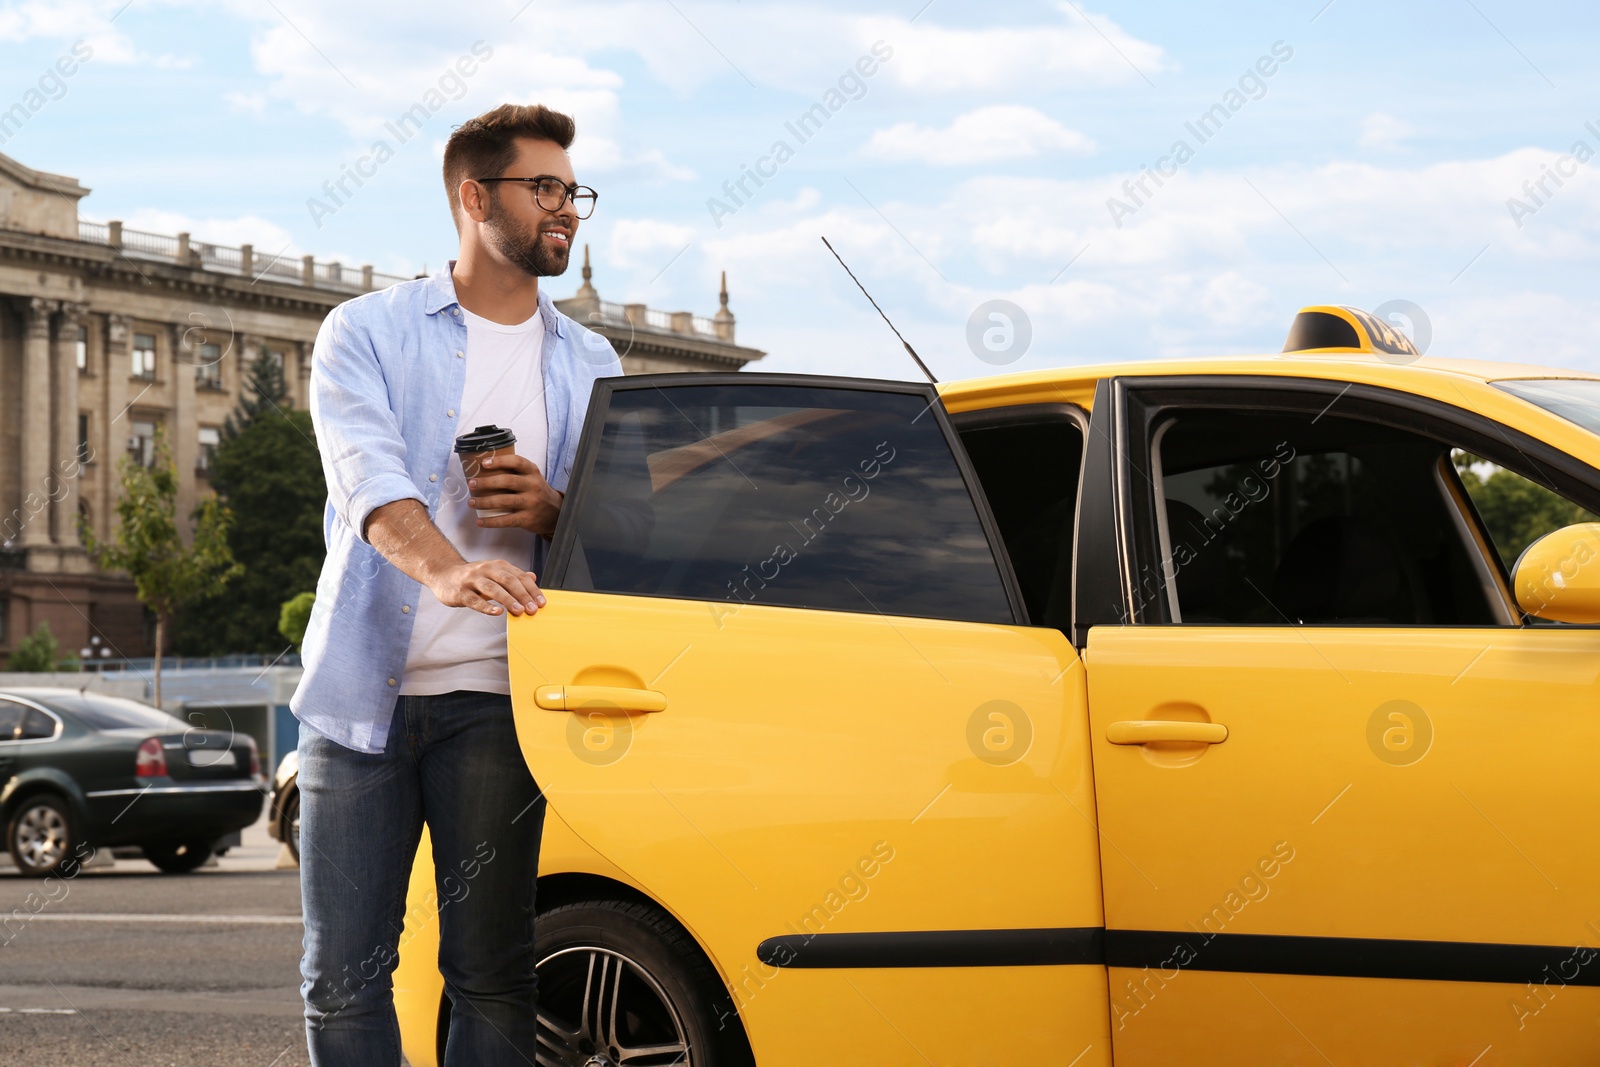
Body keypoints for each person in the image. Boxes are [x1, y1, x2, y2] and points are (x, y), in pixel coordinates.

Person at [290, 102, 616, 1066]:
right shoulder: (365, 333)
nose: (566, 208)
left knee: (492, 972)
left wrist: (556, 510)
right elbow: (368, 482)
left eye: (574, 190)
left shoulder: (592, 361)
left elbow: (619, 532)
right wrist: (450, 568)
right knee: (343, 976)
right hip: (361, 706)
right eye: (544, 187)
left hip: (500, 701)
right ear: (476, 198)